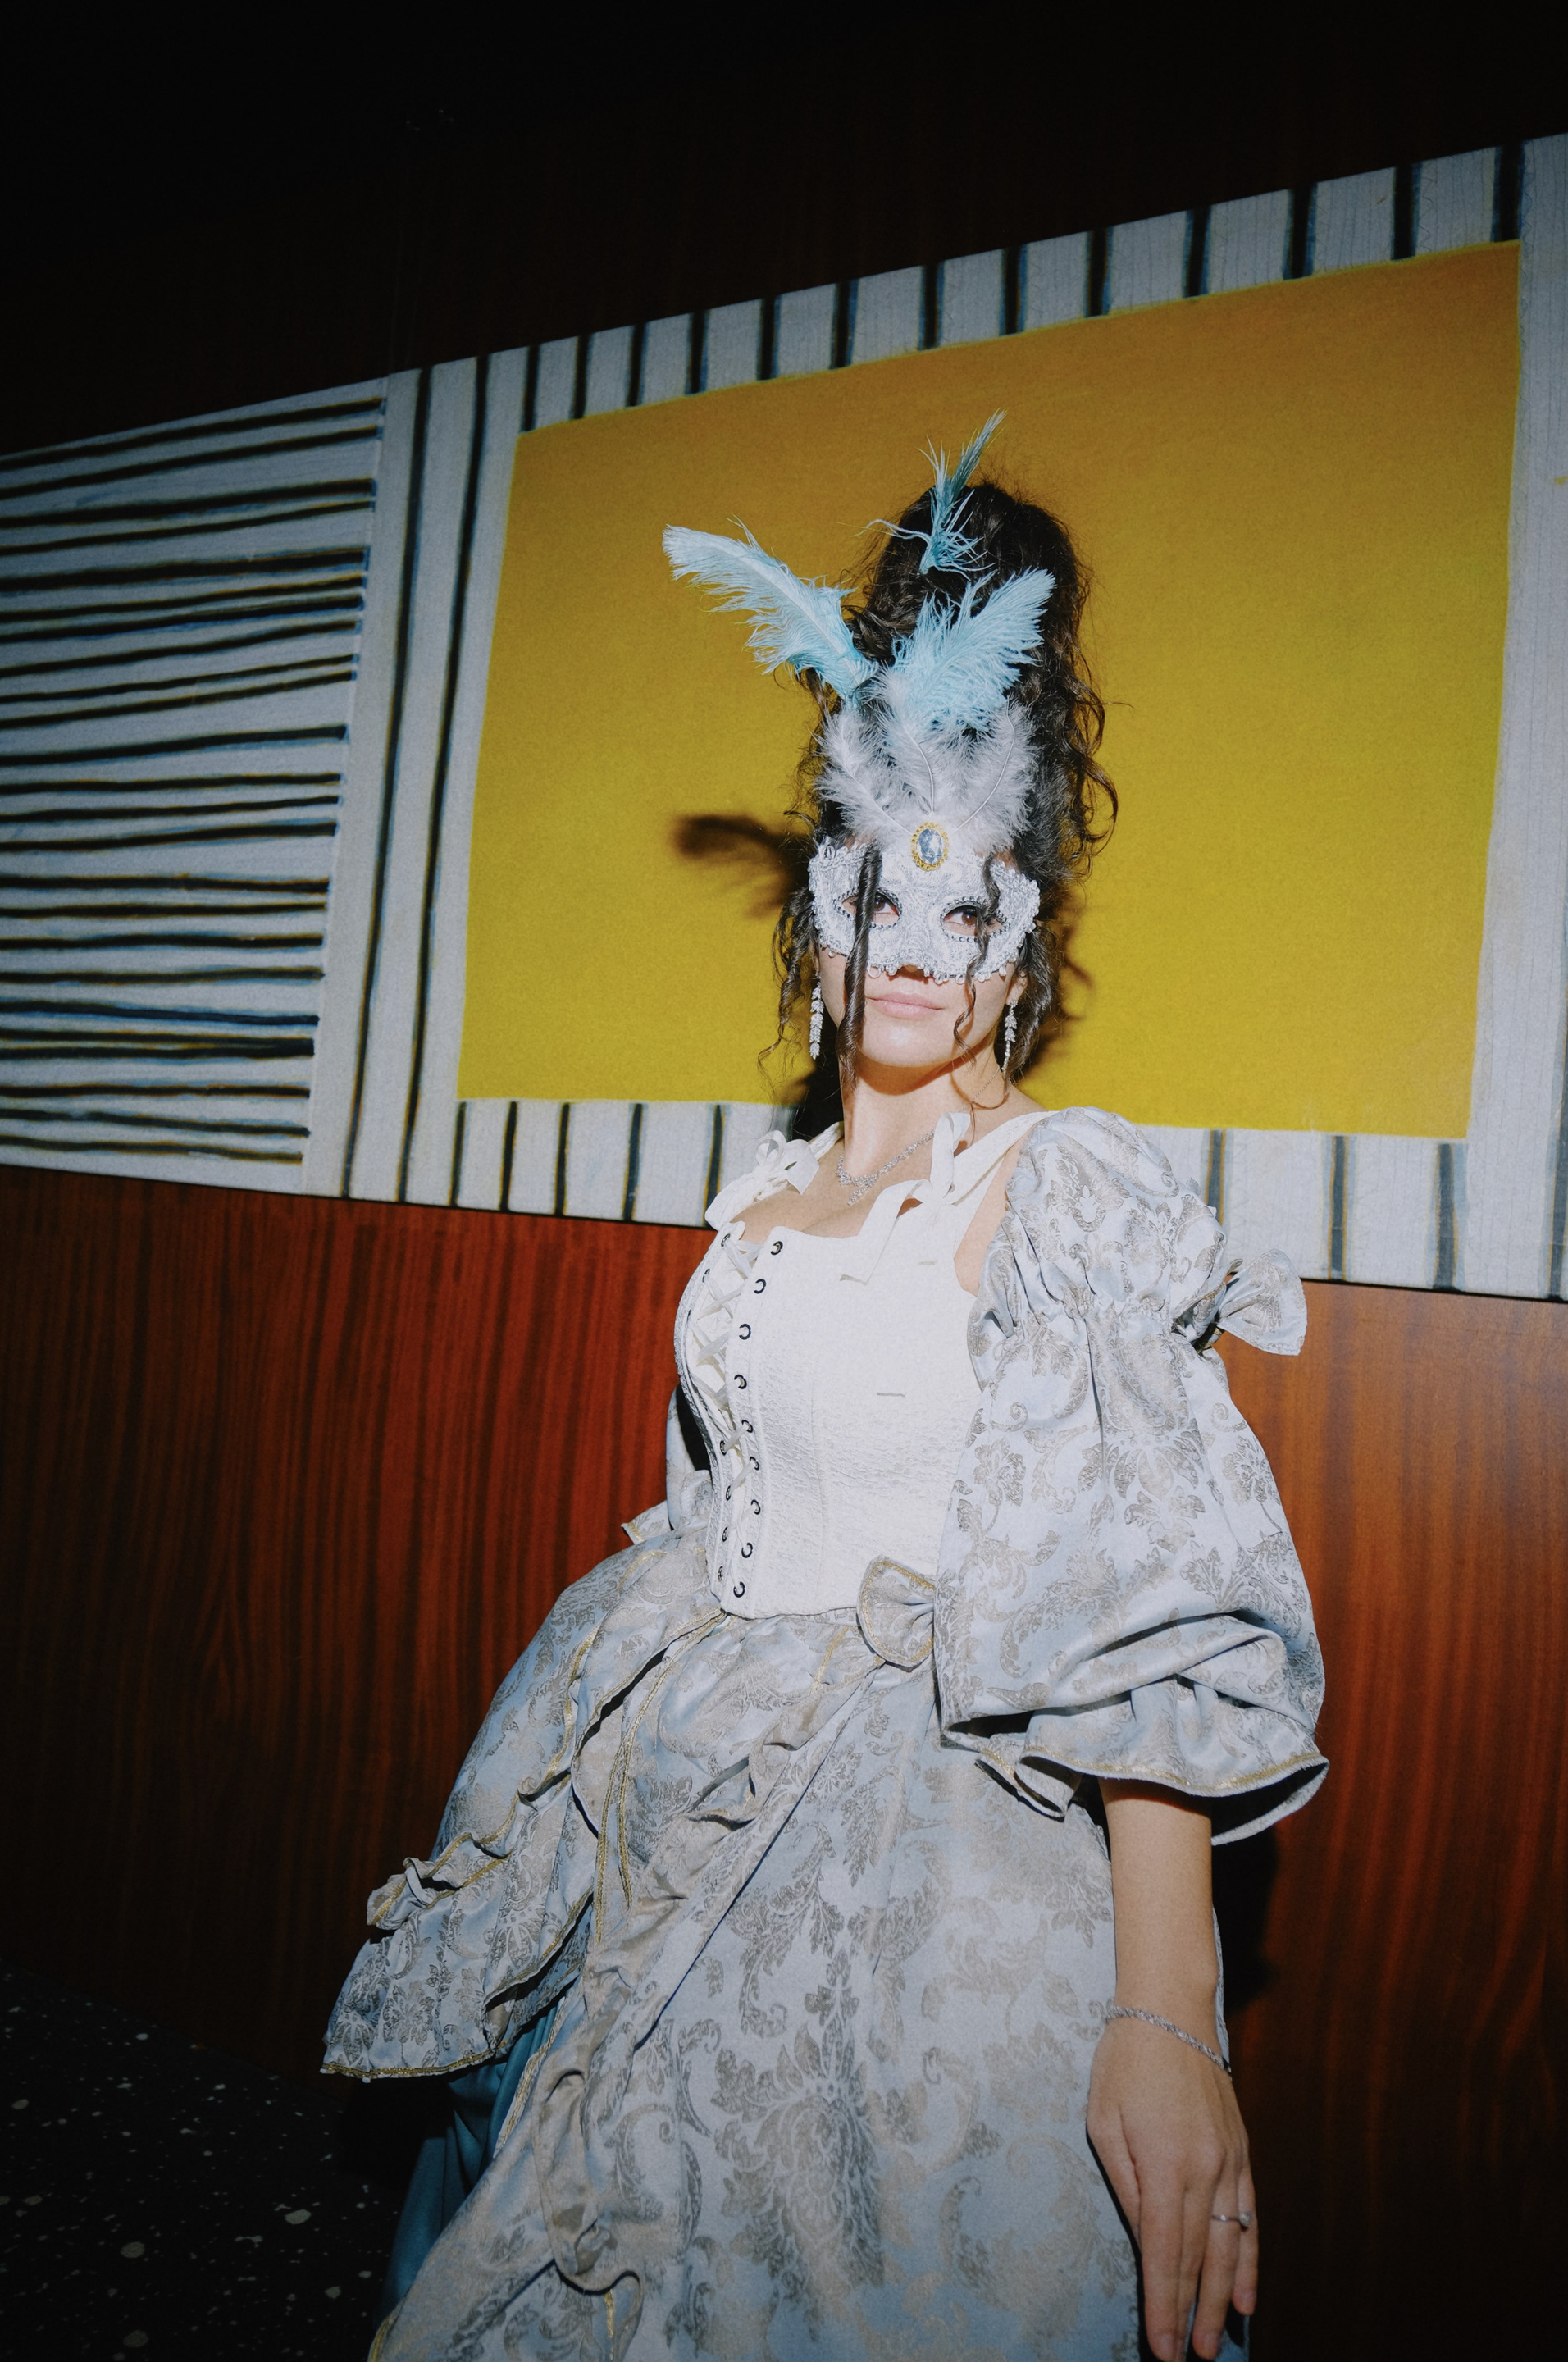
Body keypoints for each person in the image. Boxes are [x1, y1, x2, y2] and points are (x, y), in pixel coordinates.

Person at [326, 419, 1326, 2362]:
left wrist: (1169, 2017)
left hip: (925, 1883)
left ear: (1021, 929)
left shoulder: (1062, 1195)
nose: (918, 949)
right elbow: (717, 1507)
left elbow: (1140, 1622)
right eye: (877, 893)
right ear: (823, 907)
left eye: (971, 903)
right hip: (668, 1808)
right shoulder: (762, 1196)